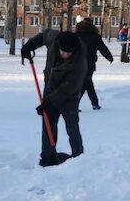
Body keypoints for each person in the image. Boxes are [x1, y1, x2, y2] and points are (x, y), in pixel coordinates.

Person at [34, 31, 86, 166]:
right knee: (48, 126)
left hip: (69, 98)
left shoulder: (79, 62)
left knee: (72, 127)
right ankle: (47, 156)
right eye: (63, 51)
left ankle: (79, 158)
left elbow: (70, 87)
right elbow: (42, 36)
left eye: (69, 53)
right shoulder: (54, 39)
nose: (65, 55)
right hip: (50, 90)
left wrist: (49, 102)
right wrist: (28, 46)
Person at [75, 18, 114, 110]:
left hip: (77, 63)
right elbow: (103, 48)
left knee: (85, 83)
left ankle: (87, 103)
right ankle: (92, 103)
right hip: (90, 63)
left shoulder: (76, 35)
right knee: (87, 82)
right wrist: (109, 57)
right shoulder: (95, 36)